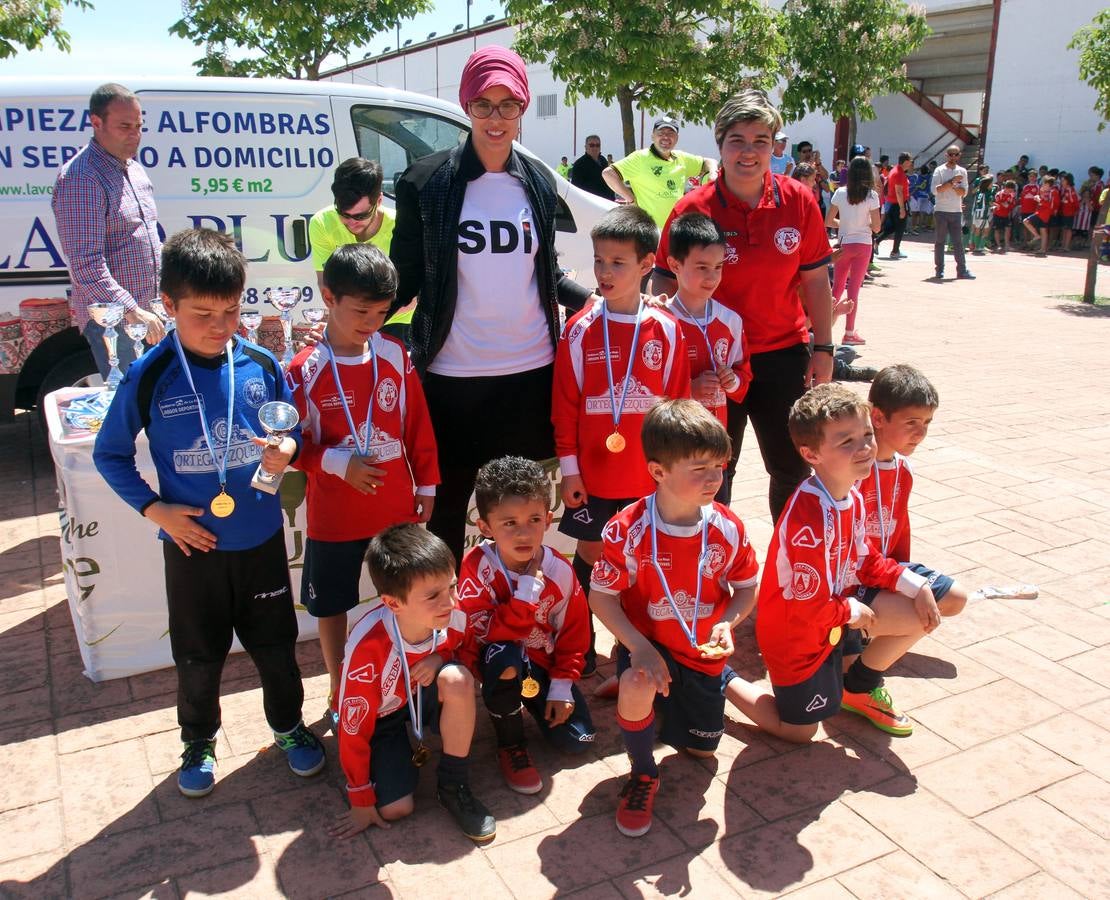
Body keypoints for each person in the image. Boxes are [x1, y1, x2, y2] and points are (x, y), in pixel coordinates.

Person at [92, 228, 325, 797]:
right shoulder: (149, 374)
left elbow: (290, 432)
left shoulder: (262, 363)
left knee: (275, 645)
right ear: (167, 306)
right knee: (198, 654)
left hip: (261, 539)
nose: (221, 327)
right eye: (203, 314)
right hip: (193, 546)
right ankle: (198, 739)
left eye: (231, 311)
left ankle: (289, 726)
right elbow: (109, 453)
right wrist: (156, 511)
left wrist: (286, 451)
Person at [390, 45, 592, 565]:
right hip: (452, 375)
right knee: (449, 510)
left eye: (508, 105)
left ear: (523, 107)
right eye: (483, 104)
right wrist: (353, 316)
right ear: (466, 107)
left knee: (520, 512)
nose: (495, 117)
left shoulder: (540, 181)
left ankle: (520, 623)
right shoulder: (425, 181)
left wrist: (599, 300)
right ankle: (450, 627)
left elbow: (544, 273)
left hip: (529, 374)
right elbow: (405, 276)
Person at [654, 88, 834, 521]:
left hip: (781, 354)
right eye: (737, 140)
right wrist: (674, 365)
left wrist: (824, 348)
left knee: (792, 466)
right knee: (711, 469)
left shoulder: (798, 200)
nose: (749, 152)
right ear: (720, 146)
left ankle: (792, 570)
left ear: (774, 147)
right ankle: (710, 565)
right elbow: (662, 280)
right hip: (712, 361)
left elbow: (815, 281)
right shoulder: (693, 208)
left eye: (760, 141)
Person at [724, 384, 938, 743]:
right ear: (811, 453)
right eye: (847, 441)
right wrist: (851, 610)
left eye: (867, 434)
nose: (866, 447)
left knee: (924, 612)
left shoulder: (850, 495)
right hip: (796, 636)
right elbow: (805, 605)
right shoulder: (805, 519)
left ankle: (858, 685)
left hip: (833, 620)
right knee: (800, 731)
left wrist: (916, 585)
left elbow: (867, 559)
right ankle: (719, 678)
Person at [589, 399, 759, 836]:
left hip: (701, 652)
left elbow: (745, 588)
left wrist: (728, 623)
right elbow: (601, 598)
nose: (713, 478)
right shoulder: (628, 529)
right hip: (652, 645)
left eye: (718, 466)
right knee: (638, 682)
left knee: (701, 752)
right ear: (658, 471)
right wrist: (641, 649)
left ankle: (700, 685)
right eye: (698, 467)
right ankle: (643, 772)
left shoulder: (728, 527)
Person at [287, 244, 438, 730]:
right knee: (331, 606)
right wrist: (333, 461)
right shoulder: (303, 368)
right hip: (335, 520)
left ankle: (403, 677)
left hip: (394, 511)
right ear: (328, 297)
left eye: (380, 311)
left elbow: (416, 422)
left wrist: (428, 483)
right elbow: (287, 448)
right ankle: (338, 684)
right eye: (360, 311)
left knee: (404, 598)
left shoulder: (395, 354)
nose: (371, 321)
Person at [553, 205, 691, 670]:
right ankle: (580, 641)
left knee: (638, 561)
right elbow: (566, 407)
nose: (604, 272)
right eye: (598, 261)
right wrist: (570, 470)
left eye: (618, 262)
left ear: (647, 264)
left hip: (645, 475)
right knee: (592, 554)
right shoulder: (578, 330)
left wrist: (671, 476)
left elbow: (677, 408)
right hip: (592, 475)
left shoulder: (667, 331)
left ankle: (629, 644)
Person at [328, 524, 497, 843]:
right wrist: (360, 797)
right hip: (379, 719)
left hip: (420, 697)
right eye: (433, 595)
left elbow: (464, 645)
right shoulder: (368, 648)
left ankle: (453, 784)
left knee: (458, 678)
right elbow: (354, 727)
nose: (449, 602)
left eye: (452, 586)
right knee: (396, 809)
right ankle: (392, 758)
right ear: (393, 604)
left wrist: (441, 658)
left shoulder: (453, 610)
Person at [457, 455, 595, 795]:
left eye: (534, 519)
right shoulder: (476, 568)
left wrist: (562, 688)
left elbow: (575, 634)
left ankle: (540, 699)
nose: (523, 532)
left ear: (548, 520)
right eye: (509, 523)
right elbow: (487, 634)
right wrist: (525, 592)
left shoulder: (560, 570)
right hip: (497, 661)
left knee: (579, 740)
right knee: (504, 657)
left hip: (541, 664)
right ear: (486, 527)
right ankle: (510, 744)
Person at [850, 365, 969, 664]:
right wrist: (907, 587)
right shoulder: (851, 469)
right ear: (877, 417)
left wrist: (905, 579)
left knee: (955, 599)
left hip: (886, 570)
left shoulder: (903, 469)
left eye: (927, 422)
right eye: (912, 422)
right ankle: (860, 664)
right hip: (852, 577)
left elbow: (900, 528)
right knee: (923, 614)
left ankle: (868, 633)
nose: (921, 432)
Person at [52, 82, 165, 378]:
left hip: (149, 313)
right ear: (96, 122)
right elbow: (85, 264)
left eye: (139, 126)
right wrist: (132, 311)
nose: (135, 134)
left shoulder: (134, 169)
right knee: (133, 408)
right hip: (116, 322)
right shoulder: (81, 178)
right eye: (125, 126)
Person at [664, 213, 751, 442]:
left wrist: (733, 382)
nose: (712, 276)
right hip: (672, 445)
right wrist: (689, 390)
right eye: (702, 267)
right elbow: (647, 385)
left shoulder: (730, 320)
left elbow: (744, 372)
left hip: (714, 442)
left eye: (718, 267)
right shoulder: (660, 321)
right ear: (674, 264)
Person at [603, 116, 717, 228]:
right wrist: (631, 200)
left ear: (677, 138)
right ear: (653, 136)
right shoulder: (640, 158)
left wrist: (712, 173)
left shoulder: (681, 158)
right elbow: (608, 174)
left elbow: (709, 161)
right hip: (649, 230)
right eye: (661, 133)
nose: (665, 137)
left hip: (674, 230)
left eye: (670, 133)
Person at [826, 157, 881, 347]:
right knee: (854, 290)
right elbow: (877, 227)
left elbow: (828, 220)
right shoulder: (872, 196)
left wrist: (845, 224)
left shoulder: (841, 193)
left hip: (844, 243)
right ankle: (849, 332)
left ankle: (824, 326)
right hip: (863, 244)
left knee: (837, 287)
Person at [930, 145, 973, 280]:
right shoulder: (939, 170)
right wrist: (951, 182)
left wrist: (953, 185)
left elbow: (963, 192)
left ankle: (962, 270)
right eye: (951, 154)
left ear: (959, 155)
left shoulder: (962, 171)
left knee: (958, 242)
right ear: (946, 155)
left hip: (956, 211)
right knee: (940, 241)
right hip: (941, 210)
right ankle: (939, 270)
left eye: (956, 154)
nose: (953, 157)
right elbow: (935, 190)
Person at [874, 152, 913, 259]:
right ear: (905, 161)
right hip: (898, 204)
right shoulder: (899, 173)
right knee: (900, 227)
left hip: (892, 203)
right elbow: (899, 192)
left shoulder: (895, 170)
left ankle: (877, 241)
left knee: (892, 227)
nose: (911, 163)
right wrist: (902, 209)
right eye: (910, 161)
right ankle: (895, 251)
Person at [569, 135, 614, 200]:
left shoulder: (603, 160)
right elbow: (576, 189)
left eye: (597, 145)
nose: (595, 148)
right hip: (590, 203)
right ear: (586, 147)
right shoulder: (579, 164)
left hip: (607, 202)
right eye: (592, 145)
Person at [1023, 174, 1058, 257]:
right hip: (1040, 211)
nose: (1043, 185)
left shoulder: (1053, 192)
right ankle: (1042, 249)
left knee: (1026, 221)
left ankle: (1037, 237)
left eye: (1045, 184)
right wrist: (1037, 197)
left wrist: (1040, 200)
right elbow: (1039, 198)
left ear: (1049, 185)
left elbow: (1050, 205)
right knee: (1043, 230)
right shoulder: (1042, 190)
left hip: (1044, 213)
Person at [969, 174, 994, 254]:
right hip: (983, 213)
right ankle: (979, 246)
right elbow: (990, 203)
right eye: (991, 183)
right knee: (984, 230)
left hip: (977, 212)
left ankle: (976, 245)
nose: (992, 185)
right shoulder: (988, 193)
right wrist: (995, 206)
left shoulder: (979, 191)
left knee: (978, 228)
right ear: (987, 185)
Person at [991, 179, 1018, 253]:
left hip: (1006, 215)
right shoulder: (999, 194)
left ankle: (1007, 245)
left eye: (1012, 190)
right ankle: (999, 245)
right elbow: (997, 203)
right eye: (1010, 189)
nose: (1011, 191)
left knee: (1008, 229)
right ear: (1006, 188)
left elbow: (1012, 205)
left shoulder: (1012, 195)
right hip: (998, 214)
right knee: (997, 230)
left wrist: (1008, 205)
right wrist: (1003, 204)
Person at [1057, 173, 1079, 252]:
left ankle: (1066, 246)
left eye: (1063, 181)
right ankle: (1063, 245)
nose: (1061, 182)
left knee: (1068, 229)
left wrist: (1075, 210)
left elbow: (1075, 201)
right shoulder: (1066, 190)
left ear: (1067, 181)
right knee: (1064, 229)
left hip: (1069, 213)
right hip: (1065, 212)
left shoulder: (1070, 190)